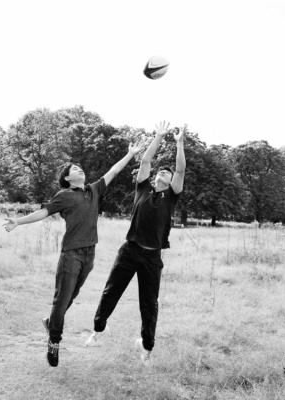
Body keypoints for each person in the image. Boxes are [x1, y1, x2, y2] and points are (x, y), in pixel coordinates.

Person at [3, 141, 141, 367]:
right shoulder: (64, 195)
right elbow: (43, 212)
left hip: (89, 254)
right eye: (74, 169)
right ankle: (54, 341)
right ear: (67, 178)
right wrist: (18, 221)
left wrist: (129, 154)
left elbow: (114, 171)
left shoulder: (94, 189)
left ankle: (50, 321)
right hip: (71, 255)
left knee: (73, 296)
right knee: (62, 299)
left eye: (80, 168)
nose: (80, 170)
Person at [85, 122, 187, 367]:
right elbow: (145, 162)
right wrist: (159, 137)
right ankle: (99, 329)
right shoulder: (142, 189)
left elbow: (181, 171)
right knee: (111, 292)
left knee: (149, 305)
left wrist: (179, 142)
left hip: (152, 258)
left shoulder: (171, 197)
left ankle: (146, 347)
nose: (163, 173)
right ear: (153, 178)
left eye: (167, 173)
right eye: (160, 172)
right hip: (129, 251)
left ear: (172, 182)